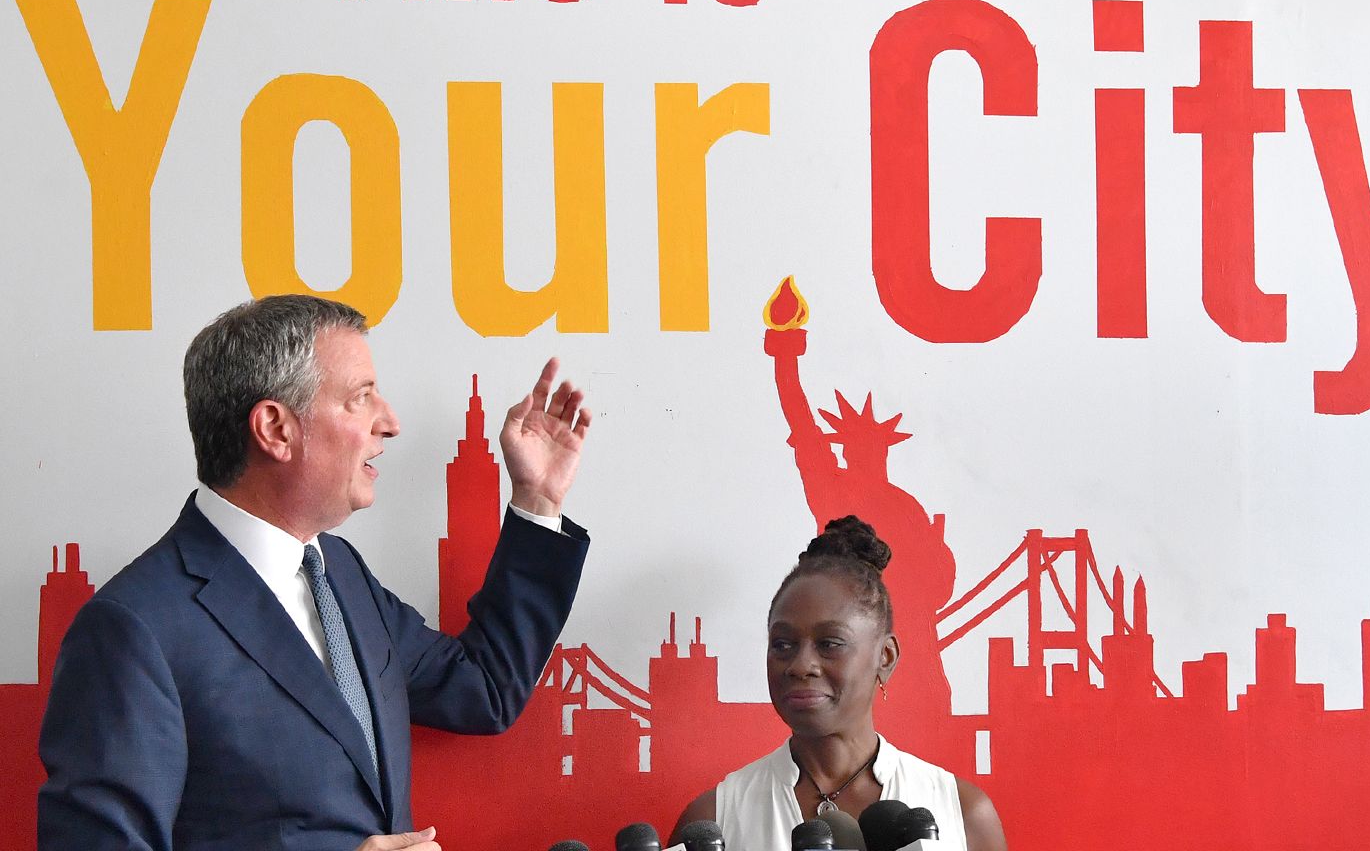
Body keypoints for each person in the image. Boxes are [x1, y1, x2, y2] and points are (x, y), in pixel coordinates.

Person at [38, 294, 593, 851]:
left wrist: (537, 500)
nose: (391, 423)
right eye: (361, 398)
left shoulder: (341, 573)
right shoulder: (132, 629)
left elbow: (483, 688)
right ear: (275, 430)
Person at [675, 517, 1006, 851]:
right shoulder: (713, 820)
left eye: (830, 643)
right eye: (783, 644)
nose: (801, 665)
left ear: (885, 657)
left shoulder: (964, 816)